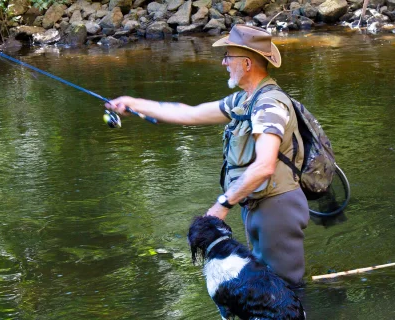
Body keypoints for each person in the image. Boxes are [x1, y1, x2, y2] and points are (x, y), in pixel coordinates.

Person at [105, 25, 309, 287]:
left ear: (246, 63)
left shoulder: (269, 105)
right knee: (267, 288)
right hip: (259, 206)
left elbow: (265, 166)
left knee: (286, 290)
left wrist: (221, 206)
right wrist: (132, 103)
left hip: (278, 208)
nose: (224, 62)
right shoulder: (244, 100)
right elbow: (189, 113)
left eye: (228, 56)